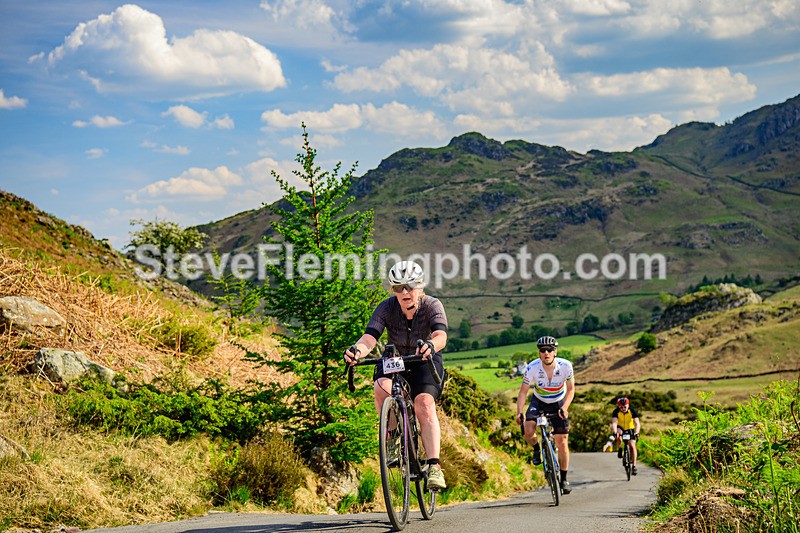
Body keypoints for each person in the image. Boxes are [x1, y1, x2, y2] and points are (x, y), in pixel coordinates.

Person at [344, 260, 449, 491]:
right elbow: (370, 337)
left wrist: (431, 345)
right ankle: (392, 436)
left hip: (424, 358)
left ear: (420, 287)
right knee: (381, 385)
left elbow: (441, 334)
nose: (404, 292)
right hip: (396, 360)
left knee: (424, 403)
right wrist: (356, 351)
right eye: (398, 287)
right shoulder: (386, 307)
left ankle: (434, 466)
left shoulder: (432, 305)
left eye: (409, 286)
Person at [516, 335, 575, 494]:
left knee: (562, 441)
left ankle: (563, 479)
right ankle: (536, 449)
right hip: (539, 401)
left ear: (555, 352)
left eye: (550, 350)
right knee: (528, 430)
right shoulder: (532, 368)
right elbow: (523, 393)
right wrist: (519, 412)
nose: (546, 353)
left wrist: (565, 407)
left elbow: (571, 390)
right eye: (543, 350)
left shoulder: (565, 366)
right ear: (539, 353)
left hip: (558, 402)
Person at [611, 397, 641, 475]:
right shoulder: (616, 412)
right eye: (621, 407)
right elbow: (614, 422)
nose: (623, 408)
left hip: (630, 429)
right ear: (618, 406)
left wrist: (637, 432)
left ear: (628, 405)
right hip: (620, 428)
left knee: (632, 446)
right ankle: (620, 448)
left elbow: (637, 423)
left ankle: (634, 466)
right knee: (618, 433)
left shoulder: (632, 411)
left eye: (625, 407)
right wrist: (614, 432)